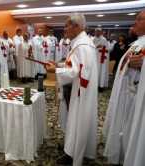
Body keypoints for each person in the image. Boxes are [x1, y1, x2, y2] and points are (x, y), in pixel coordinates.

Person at [46, 13, 98, 166]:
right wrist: (59, 66)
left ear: (76, 26)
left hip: (78, 92)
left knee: (76, 120)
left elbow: (75, 72)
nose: (65, 28)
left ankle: (72, 154)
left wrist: (54, 71)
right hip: (79, 89)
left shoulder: (82, 45)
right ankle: (72, 146)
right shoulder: (80, 42)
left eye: (67, 25)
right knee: (72, 120)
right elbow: (74, 66)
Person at [103, 10, 145, 165]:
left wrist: (142, 66)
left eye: (139, 19)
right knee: (125, 130)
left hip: (138, 99)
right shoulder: (137, 42)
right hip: (127, 94)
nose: (135, 22)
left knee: (133, 132)